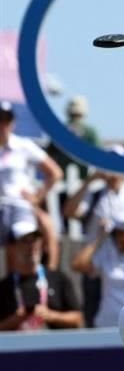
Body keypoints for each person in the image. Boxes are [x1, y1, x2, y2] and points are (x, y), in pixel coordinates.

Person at [63, 146, 124, 327]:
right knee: (94, 315)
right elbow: (69, 212)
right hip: (97, 264)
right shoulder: (95, 195)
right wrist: (90, 180)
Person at [0, 100, 62, 270]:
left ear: (12, 123)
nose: (3, 125)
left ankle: (50, 276)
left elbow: (55, 173)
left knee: (23, 249)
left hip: (20, 205)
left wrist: (37, 197)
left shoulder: (23, 145)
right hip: (1, 205)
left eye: (6, 120)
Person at [0, 219, 81, 331]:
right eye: (25, 241)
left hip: (56, 346)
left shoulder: (58, 279)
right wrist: (16, 319)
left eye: (35, 240)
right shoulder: (5, 287)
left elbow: (78, 319)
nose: (32, 246)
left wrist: (51, 316)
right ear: (12, 248)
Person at [46, 95, 99, 178]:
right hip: (84, 180)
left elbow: (49, 154)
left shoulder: (59, 130)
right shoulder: (91, 132)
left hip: (61, 178)